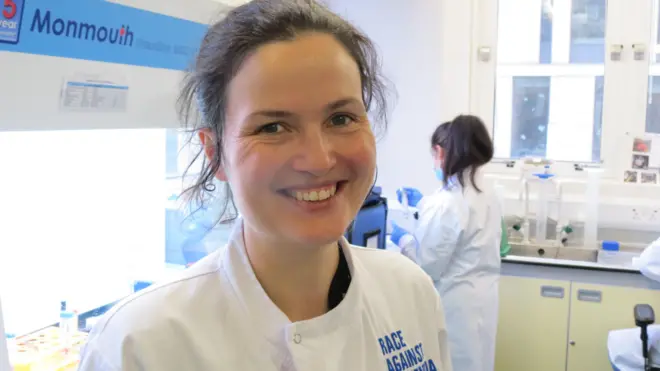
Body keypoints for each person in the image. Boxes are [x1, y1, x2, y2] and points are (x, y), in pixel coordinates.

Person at [78, 1, 452, 370]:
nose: (319, 160)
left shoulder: (409, 292)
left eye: (341, 118)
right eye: (272, 127)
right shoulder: (140, 345)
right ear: (214, 153)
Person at [390, 114, 502, 371]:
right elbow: (462, 226)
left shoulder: (448, 204)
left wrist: (403, 239)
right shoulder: (488, 193)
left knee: (455, 363)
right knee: (479, 362)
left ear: (440, 152)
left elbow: (426, 267)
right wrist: (422, 203)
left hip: (456, 307)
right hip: (482, 300)